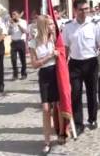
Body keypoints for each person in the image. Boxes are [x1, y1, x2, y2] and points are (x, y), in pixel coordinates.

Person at [63, 0, 100, 135]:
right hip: (75, 64)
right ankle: (78, 123)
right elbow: (65, 47)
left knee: (91, 92)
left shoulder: (95, 25)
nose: (84, 12)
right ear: (75, 10)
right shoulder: (68, 26)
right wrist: (63, 65)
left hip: (91, 62)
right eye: (81, 9)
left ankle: (92, 118)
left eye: (86, 9)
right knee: (75, 93)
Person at [29, 15, 63, 154]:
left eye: (52, 24)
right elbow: (34, 64)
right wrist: (49, 56)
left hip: (56, 73)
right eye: (49, 24)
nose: (53, 26)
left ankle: (61, 133)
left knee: (59, 106)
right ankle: (47, 141)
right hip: (44, 75)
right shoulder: (33, 43)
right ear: (43, 26)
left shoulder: (55, 39)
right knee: (45, 109)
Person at [8, 10, 28, 80]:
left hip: (21, 41)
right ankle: (15, 74)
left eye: (15, 14)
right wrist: (10, 26)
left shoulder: (23, 21)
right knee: (13, 59)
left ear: (18, 15)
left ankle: (24, 74)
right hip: (13, 42)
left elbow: (24, 31)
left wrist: (18, 24)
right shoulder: (10, 22)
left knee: (22, 59)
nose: (13, 16)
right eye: (12, 14)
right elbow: (9, 33)